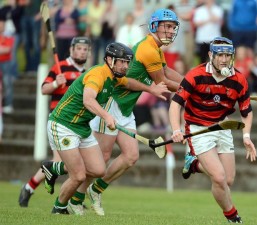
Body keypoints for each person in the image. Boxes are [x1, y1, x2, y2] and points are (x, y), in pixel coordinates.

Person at [41, 42, 169, 214]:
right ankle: (59, 207)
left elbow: (129, 83)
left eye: (127, 62)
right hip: (63, 125)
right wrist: (107, 116)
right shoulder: (97, 75)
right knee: (78, 175)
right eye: (121, 62)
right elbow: (88, 99)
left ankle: (53, 168)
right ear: (109, 59)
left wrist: (150, 89)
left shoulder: (115, 76)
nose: (125, 66)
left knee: (98, 170)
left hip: (82, 127)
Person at [85, 8, 183, 216]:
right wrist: (192, 90)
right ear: (154, 26)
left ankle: (95, 190)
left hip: (126, 108)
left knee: (130, 157)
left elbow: (166, 71)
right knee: (101, 159)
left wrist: (193, 82)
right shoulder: (148, 49)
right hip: (113, 102)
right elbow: (162, 82)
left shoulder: (155, 48)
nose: (171, 31)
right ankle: (72, 199)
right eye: (167, 27)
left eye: (173, 27)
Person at [169, 37, 257, 223]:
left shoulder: (239, 79)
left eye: (228, 55)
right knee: (218, 177)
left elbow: (246, 112)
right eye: (220, 55)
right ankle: (233, 216)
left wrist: (246, 136)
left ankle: (193, 164)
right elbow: (176, 104)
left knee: (228, 180)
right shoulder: (195, 75)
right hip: (198, 128)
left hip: (222, 126)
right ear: (211, 55)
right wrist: (176, 129)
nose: (224, 59)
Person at [18, 36, 91, 207]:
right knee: (61, 162)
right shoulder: (60, 67)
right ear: (71, 50)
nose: (82, 51)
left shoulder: (86, 73)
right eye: (79, 48)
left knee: (78, 164)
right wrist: (56, 84)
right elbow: (44, 89)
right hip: (59, 122)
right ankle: (30, 188)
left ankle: (68, 198)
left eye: (85, 49)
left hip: (78, 123)